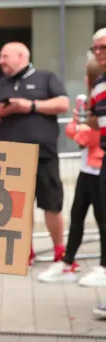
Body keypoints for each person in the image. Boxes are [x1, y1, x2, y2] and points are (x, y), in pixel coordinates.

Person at [0, 42, 70, 266]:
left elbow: (63, 103)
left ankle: (60, 251)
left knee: (52, 204)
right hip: (11, 158)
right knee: (16, 208)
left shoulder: (46, 77)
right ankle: (24, 253)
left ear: (21, 56)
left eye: (5, 57)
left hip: (44, 155)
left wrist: (31, 106)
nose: (1, 61)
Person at [37, 57, 106, 286]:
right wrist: (80, 128)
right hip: (87, 168)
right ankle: (67, 263)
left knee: (101, 219)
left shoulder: (101, 100)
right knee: (77, 215)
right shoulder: (91, 102)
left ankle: (103, 267)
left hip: (99, 167)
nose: (85, 79)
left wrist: (80, 129)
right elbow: (73, 130)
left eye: (88, 75)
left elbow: (88, 135)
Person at [83, 28, 106, 318]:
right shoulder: (99, 83)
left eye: (103, 47)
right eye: (95, 48)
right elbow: (93, 117)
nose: (98, 52)